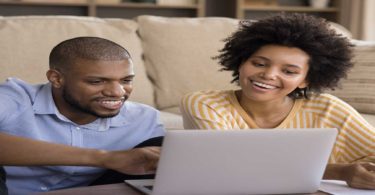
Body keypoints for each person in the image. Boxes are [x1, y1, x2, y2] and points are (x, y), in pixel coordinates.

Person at [180, 13, 375, 190]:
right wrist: (340, 171)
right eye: (259, 64)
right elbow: (235, 166)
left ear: (306, 80)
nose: (269, 75)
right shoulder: (205, 104)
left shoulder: (328, 108)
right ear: (241, 62)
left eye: (289, 71)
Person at [0, 37, 165, 195]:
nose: (117, 92)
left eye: (126, 80)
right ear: (56, 78)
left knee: (162, 148)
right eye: (96, 82)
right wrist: (106, 158)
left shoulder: (145, 120)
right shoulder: (13, 97)